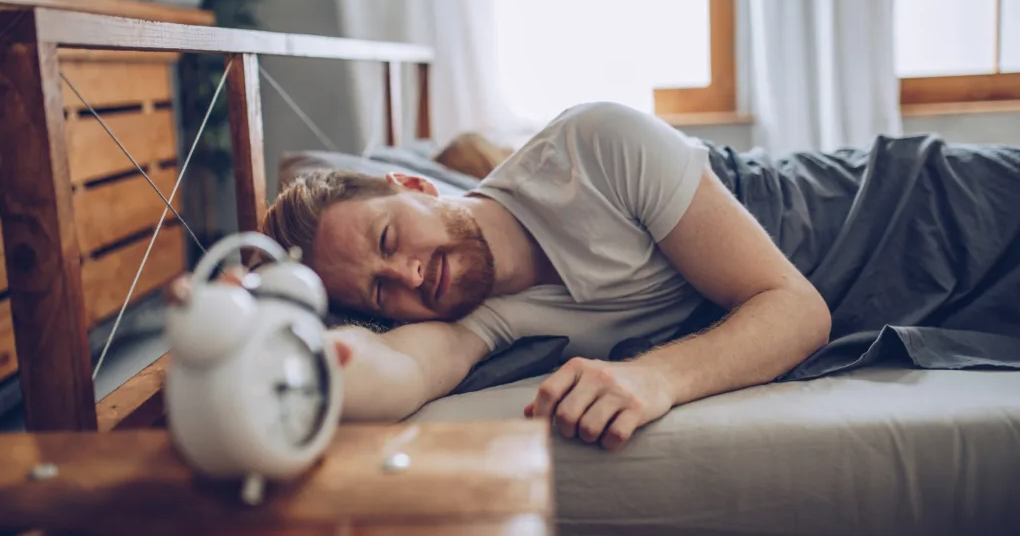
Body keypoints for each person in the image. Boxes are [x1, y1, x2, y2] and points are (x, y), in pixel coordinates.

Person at [223, 102, 832, 451]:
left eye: (388, 238)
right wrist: (255, 349)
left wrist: (656, 377)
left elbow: (797, 308)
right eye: (380, 291)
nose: (409, 274)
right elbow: (394, 368)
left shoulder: (595, 146)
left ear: (413, 185)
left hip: (862, 206)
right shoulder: (473, 319)